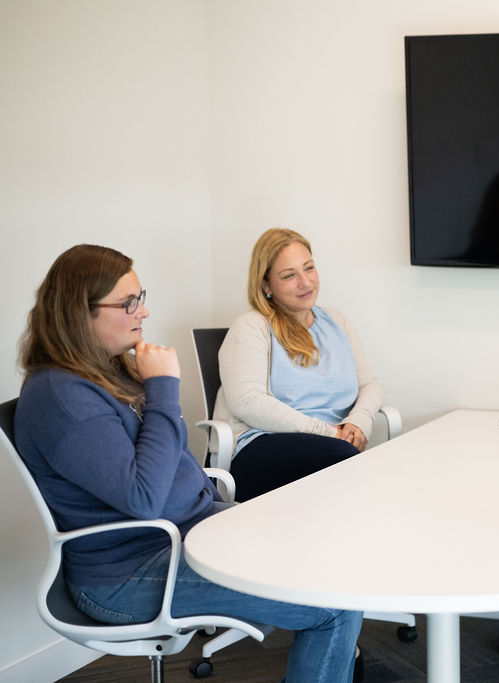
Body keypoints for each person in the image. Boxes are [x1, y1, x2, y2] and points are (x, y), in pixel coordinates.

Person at [14, 244, 363, 681]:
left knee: (334, 560)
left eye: (141, 297)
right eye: (128, 303)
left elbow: (168, 458)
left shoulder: (109, 372)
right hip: (129, 574)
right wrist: (163, 387)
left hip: (189, 532)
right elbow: (143, 498)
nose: (143, 312)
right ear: (78, 313)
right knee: (333, 605)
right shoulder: (61, 397)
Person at [214, 228, 383, 501]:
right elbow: (247, 401)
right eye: (289, 275)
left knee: (364, 463)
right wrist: (329, 433)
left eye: (309, 268)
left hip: (335, 445)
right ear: (266, 285)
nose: (305, 282)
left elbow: (370, 384)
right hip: (262, 445)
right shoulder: (251, 327)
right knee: (349, 464)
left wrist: (358, 422)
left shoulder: (337, 321)